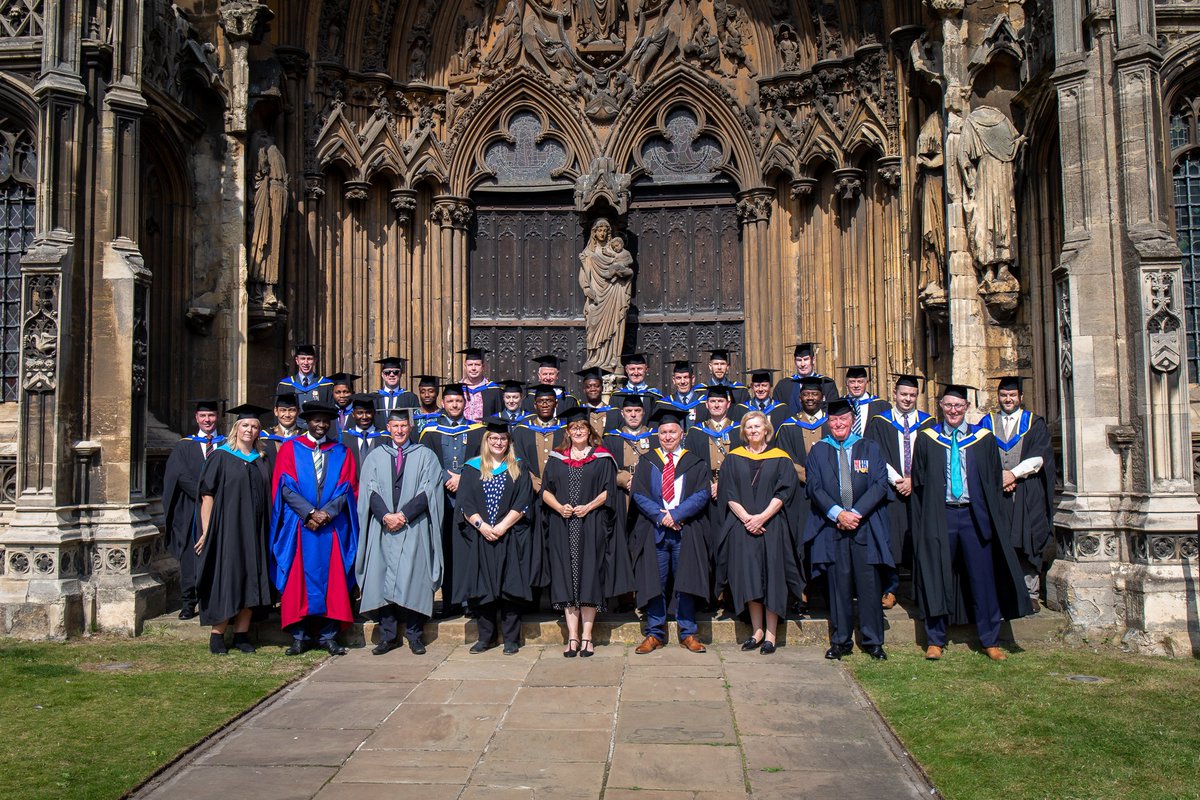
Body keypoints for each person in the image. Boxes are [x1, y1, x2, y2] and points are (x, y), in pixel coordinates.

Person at [910, 384, 1032, 661]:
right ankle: (935, 640)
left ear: (966, 408)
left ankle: (989, 640)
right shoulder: (927, 438)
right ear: (940, 405)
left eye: (958, 406)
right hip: (940, 515)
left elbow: (991, 480)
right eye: (948, 405)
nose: (953, 411)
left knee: (982, 579)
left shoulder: (983, 439)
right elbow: (919, 482)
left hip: (973, 515)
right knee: (937, 576)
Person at [803, 399, 893, 661]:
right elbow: (814, 487)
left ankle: (872, 640)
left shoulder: (870, 447)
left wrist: (855, 513)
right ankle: (841, 640)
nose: (838, 424)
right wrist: (838, 513)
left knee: (868, 585)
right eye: (833, 420)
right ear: (827, 423)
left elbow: (879, 484)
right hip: (833, 528)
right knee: (838, 586)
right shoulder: (819, 451)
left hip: (865, 525)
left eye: (843, 419)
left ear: (851, 420)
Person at [269, 402, 359, 656]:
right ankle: (300, 636)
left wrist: (327, 513)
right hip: (301, 526)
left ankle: (329, 635)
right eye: (315, 421)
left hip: (331, 528)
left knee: (333, 579)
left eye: (324, 421)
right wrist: (308, 513)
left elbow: (347, 488)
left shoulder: (341, 452)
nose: (320, 425)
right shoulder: (290, 449)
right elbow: (284, 487)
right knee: (298, 579)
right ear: (306, 422)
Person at [542, 407, 633, 657]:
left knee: (589, 576)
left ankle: (587, 636)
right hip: (564, 525)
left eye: (582, 427)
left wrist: (589, 506)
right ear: (568, 432)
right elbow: (545, 490)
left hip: (592, 523)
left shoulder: (602, 457)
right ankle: (572, 636)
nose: (578, 431)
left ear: (589, 430)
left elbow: (609, 491)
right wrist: (560, 507)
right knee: (566, 577)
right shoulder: (557, 457)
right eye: (574, 428)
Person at [356, 408, 445, 656]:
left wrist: (403, 516)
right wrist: (385, 515)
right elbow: (369, 491)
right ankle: (388, 636)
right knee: (382, 579)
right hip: (383, 527)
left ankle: (415, 635)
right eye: (395, 426)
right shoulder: (375, 456)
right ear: (388, 428)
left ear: (410, 427)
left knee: (414, 578)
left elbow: (429, 491)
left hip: (412, 526)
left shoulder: (426, 456)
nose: (399, 431)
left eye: (404, 426)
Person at [718, 410, 803, 654]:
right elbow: (728, 492)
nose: (753, 430)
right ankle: (756, 632)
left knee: (773, 578)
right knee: (750, 578)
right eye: (749, 427)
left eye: (758, 426)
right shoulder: (733, 458)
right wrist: (747, 518)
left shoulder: (781, 458)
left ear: (767, 429)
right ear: (743, 432)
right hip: (743, 527)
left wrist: (762, 517)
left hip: (772, 525)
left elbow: (785, 492)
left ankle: (771, 635)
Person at [630, 406, 713, 654]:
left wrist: (676, 515)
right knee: (655, 581)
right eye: (663, 432)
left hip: (685, 531)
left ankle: (687, 633)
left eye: (672, 432)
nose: (667, 437)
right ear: (658, 434)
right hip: (656, 531)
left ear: (681, 433)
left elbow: (701, 494)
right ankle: (655, 633)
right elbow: (639, 494)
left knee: (685, 580)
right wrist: (661, 516)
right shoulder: (647, 462)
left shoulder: (695, 462)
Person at [195, 403, 274, 655]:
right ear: (236, 428)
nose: (249, 430)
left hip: (256, 529)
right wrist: (207, 531)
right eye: (245, 425)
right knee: (228, 577)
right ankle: (217, 635)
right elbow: (207, 496)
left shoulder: (261, 459)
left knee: (251, 577)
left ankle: (241, 635)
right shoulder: (221, 456)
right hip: (228, 529)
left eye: (254, 426)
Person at [454, 417, 535, 654]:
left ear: (509, 441)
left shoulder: (519, 466)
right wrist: (482, 526)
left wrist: (502, 526)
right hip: (482, 536)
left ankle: (511, 639)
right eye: (494, 438)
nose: (498, 442)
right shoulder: (472, 467)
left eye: (503, 438)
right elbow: (465, 502)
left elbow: (524, 500)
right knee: (482, 589)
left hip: (509, 535)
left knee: (510, 588)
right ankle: (485, 637)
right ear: (486, 440)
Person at [977, 376, 1055, 608]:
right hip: (996, 490)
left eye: (1012, 395)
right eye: (1003, 395)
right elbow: (978, 455)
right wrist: (998, 476)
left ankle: (1030, 593)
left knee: (1026, 538)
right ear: (998, 397)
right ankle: (1002, 590)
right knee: (998, 540)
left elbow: (1039, 457)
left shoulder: (1034, 423)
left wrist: (1013, 474)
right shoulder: (986, 423)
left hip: (1026, 489)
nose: (1007, 399)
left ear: (1020, 397)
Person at [865, 374, 934, 610]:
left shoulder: (928, 423)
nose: (907, 399)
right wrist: (898, 480)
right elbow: (875, 455)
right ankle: (890, 588)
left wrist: (914, 479)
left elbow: (933, 458)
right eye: (903, 394)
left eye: (912, 395)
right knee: (891, 538)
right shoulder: (880, 422)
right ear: (894, 394)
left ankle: (919, 588)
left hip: (919, 489)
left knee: (919, 537)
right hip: (891, 490)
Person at [419, 383, 484, 616]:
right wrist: (448, 477)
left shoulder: (478, 430)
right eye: (450, 401)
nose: (455, 405)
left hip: (470, 498)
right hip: (441, 499)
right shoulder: (430, 432)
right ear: (443, 403)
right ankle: (449, 603)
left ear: (465, 403)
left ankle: (470, 601)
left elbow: (484, 460)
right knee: (445, 548)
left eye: (458, 401)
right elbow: (426, 462)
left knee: (468, 548)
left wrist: (463, 477)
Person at [163, 399, 225, 621]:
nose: (207, 420)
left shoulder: (227, 444)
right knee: (191, 554)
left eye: (211, 416)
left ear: (218, 417)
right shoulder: (184, 446)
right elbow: (178, 476)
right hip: (192, 509)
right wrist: (204, 493)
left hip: (221, 509)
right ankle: (189, 602)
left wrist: (218, 497)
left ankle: (214, 599)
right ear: (197, 418)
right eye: (203, 416)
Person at [774, 376, 830, 613]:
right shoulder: (788, 426)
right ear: (799, 398)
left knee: (825, 542)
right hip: (799, 495)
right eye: (806, 394)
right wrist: (809, 477)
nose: (810, 398)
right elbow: (784, 458)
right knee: (799, 542)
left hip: (828, 495)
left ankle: (825, 591)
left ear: (821, 397)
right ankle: (801, 593)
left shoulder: (831, 424)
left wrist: (824, 479)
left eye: (814, 394)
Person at [683, 385, 739, 606]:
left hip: (732, 498)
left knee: (731, 546)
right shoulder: (695, 433)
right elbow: (691, 465)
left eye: (721, 401)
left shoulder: (737, 431)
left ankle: (731, 593)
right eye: (712, 402)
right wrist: (708, 485)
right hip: (704, 497)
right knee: (706, 546)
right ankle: (707, 596)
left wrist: (722, 484)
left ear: (728, 404)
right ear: (706, 405)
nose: (716, 405)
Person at [603, 391, 658, 500]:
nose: (633, 415)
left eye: (637, 411)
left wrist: (639, 480)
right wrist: (625, 479)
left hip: (649, 492)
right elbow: (607, 468)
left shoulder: (655, 437)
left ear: (643, 413)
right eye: (629, 411)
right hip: (621, 493)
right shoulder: (611, 438)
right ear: (622, 414)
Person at [774, 342, 838, 410]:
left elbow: (833, 411)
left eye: (806, 359)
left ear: (813, 360)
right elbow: (778, 412)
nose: (802, 364)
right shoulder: (784, 385)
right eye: (799, 360)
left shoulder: (827, 384)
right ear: (795, 361)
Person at [340, 393, 383, 475]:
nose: (364, 417)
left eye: (368, 412)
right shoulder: (344, 437)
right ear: (353, 414)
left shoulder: (385, 437)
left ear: (374, 413)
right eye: (360, 413)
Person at [843, 365, 889, 437]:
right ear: (846, 383)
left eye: (860, 382)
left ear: (866, 382)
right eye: (852, 382)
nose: (856, 385)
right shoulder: (839, 404)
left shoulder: (882, 406)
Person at [660, 360, 707, 431]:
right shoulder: (665, 404)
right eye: (678, 378)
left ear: (693, 379)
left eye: (686, 377)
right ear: (674, 380)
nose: (682, 382)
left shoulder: (704, 403)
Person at [460, 347, 503, 421]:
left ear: (483, 366)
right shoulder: (457, 389)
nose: (473, 368)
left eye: (477, 364)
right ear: (465, 366)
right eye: (470, 365)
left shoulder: (494, 390)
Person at [373, 356, 418, 427]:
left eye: (396, 372)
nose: (391, 375)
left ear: (400, 374)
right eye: (387, 372)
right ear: (382, 375)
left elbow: (413, 424)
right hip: (379, 437)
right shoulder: (374, 398)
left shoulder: (410, 397)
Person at [260, 393, 301, 468]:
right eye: (283, 410)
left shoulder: (305, 436)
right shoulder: (264, 437)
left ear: (298, 411)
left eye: (292, 410)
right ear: (276, 411)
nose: (287, 415)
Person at [576, 367, 614, 438]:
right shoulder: (579, 413)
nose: (593, 389)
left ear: (602, 388)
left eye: (596, 386)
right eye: (588, 386)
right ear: (584, 390)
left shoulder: (613, 412)